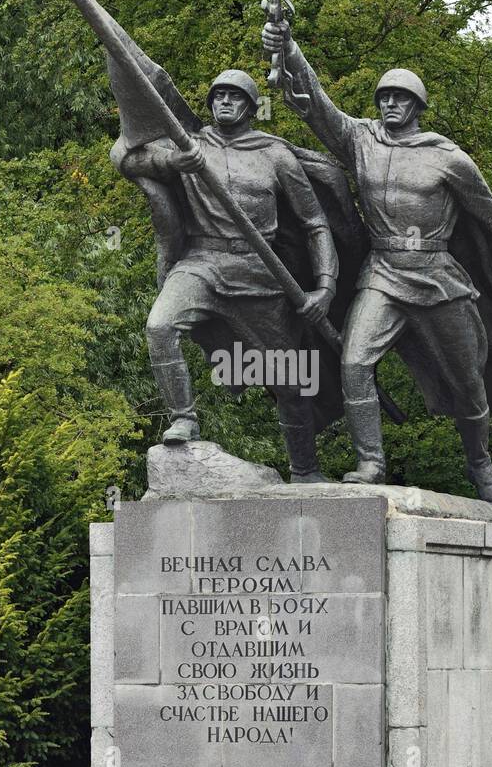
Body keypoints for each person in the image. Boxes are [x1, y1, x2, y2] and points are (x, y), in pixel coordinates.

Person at [261, 21, 492, 502]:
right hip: (383, 274)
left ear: (418, 107)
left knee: (468, 382)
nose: (389, 104)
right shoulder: (361, 140)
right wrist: (289, 47)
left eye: (400, 98)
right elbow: (316, 106)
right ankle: (371, 463)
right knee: (355, 360)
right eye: (383, 97)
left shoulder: (448, 158)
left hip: (440, 278)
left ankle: (480, 463)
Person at [116, 69, 339, 482]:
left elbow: (315, 224)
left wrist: (324, 286)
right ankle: (184, 418)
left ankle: (305, 471)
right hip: (202, 262)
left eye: (234, 97)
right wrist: (171, 160)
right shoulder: (192, 145)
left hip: (261, 273)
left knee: (289, 381)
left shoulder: (275, 155)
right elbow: (127, 159)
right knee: (159, 326)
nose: (224, 102)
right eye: (217, 95)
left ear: (252, 107)